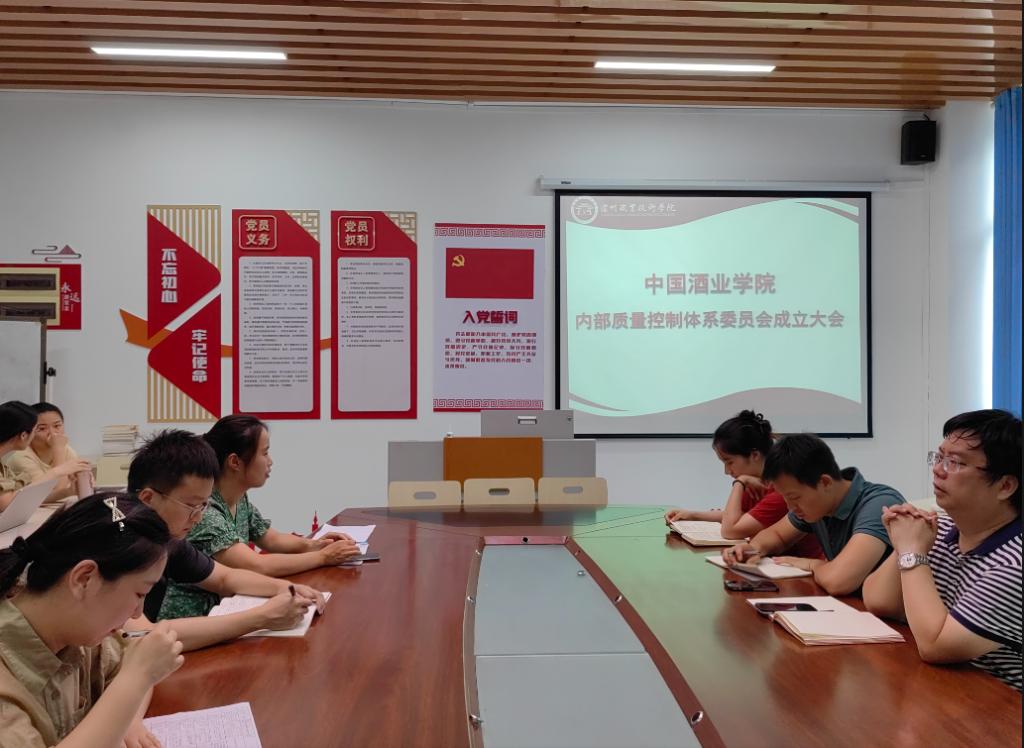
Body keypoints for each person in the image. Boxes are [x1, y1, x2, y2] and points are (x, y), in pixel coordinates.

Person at [0, 493, 184, 747]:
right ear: (84, 578)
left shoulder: (79, 632)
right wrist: (135, 680)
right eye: (139, 593)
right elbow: (134, 672)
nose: (136, 613)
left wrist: (128, 720)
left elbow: (126, 665)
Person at [864, 410, 1021, 691]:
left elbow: (935, 645)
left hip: (1000, 703)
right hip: (944, 687)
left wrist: (912, 550)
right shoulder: (942, 527)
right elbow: (879, 601)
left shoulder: (1014, 565)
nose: (938, 470)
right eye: (938, 457)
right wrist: (904, 540)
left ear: (1005, 486)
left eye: (955, 462)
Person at [122, 429, 322, 650]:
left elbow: (225, 578)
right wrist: (262, 617)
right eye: (191, 506)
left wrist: (287, 588)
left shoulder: (168, 540)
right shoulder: (119, 541)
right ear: (148, 499)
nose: (198, 517)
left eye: (203, 505)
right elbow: (140, 636)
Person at [159, 416, 359, 620]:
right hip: (192, 619)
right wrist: (323, 557)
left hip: (223, 611)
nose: (270, 461)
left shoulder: (239, 499)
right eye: (264, 453)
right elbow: (255, 565)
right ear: (235, 462)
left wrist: (316, 545)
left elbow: (271, 538)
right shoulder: (205, 512)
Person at [722, 433, 905, 595]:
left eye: (794, 497)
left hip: (891, 617)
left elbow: (838, 581)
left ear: (825, 482)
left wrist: (812, 564)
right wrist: (753, 549)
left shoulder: (879, 505)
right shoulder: (820, 504)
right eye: (785, 498)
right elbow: (777, 535)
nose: (790, 507)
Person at [664, 410, 823, 559]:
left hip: (804, 569)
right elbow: (739, 516)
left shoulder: (782, 490)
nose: (727, 471)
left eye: (729, 462)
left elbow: (730, 530)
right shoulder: (756, 482)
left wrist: (739, 482)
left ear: (754, 455)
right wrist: (692, 515)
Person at [0, 401, 90, 512]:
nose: (52, 434)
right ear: (23, 435)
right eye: (39, 429)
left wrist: (69, 491)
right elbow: (7, 503)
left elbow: (27, 496)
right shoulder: (20, 457)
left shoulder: (2, 465)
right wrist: (57, 471)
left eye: (57, 426)